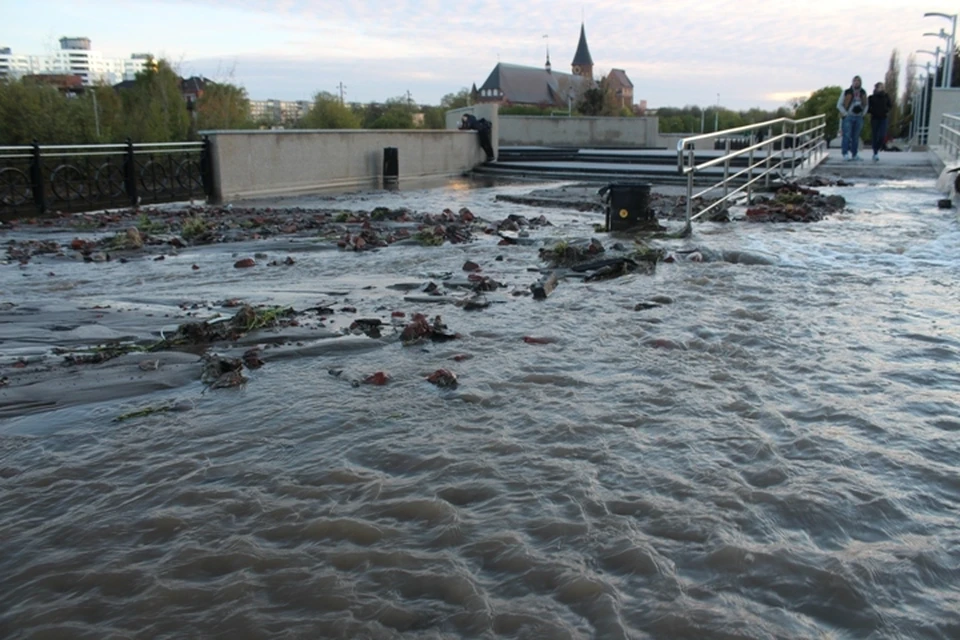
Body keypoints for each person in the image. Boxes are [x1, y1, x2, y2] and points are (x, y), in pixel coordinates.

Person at [836, 75, 868, 161]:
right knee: (847, 135)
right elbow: (839, 104)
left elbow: (866, 104)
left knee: (856, 136)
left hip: (859, 117)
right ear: (852, 82)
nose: (856, 82)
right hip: (848, 116)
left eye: (858, 81)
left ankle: (855, 154)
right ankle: (845, 153)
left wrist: (863, 113)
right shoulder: (847, 92)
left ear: (860, 83)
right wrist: (845, 113)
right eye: (855, 81)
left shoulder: (863, 93)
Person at [867, 82, 893, 162]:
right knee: (875, 136)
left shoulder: (886, 96)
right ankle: (875, 153)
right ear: (876, 88)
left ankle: (878, 147)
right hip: (875, 118)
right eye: (880, 87)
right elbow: (868, 107)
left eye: (882, 87)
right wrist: (872, 111)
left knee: (882, 135)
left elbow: (890, 105)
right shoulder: (871, 97)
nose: (881, 88)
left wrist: (886, 110)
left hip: (883, 118)